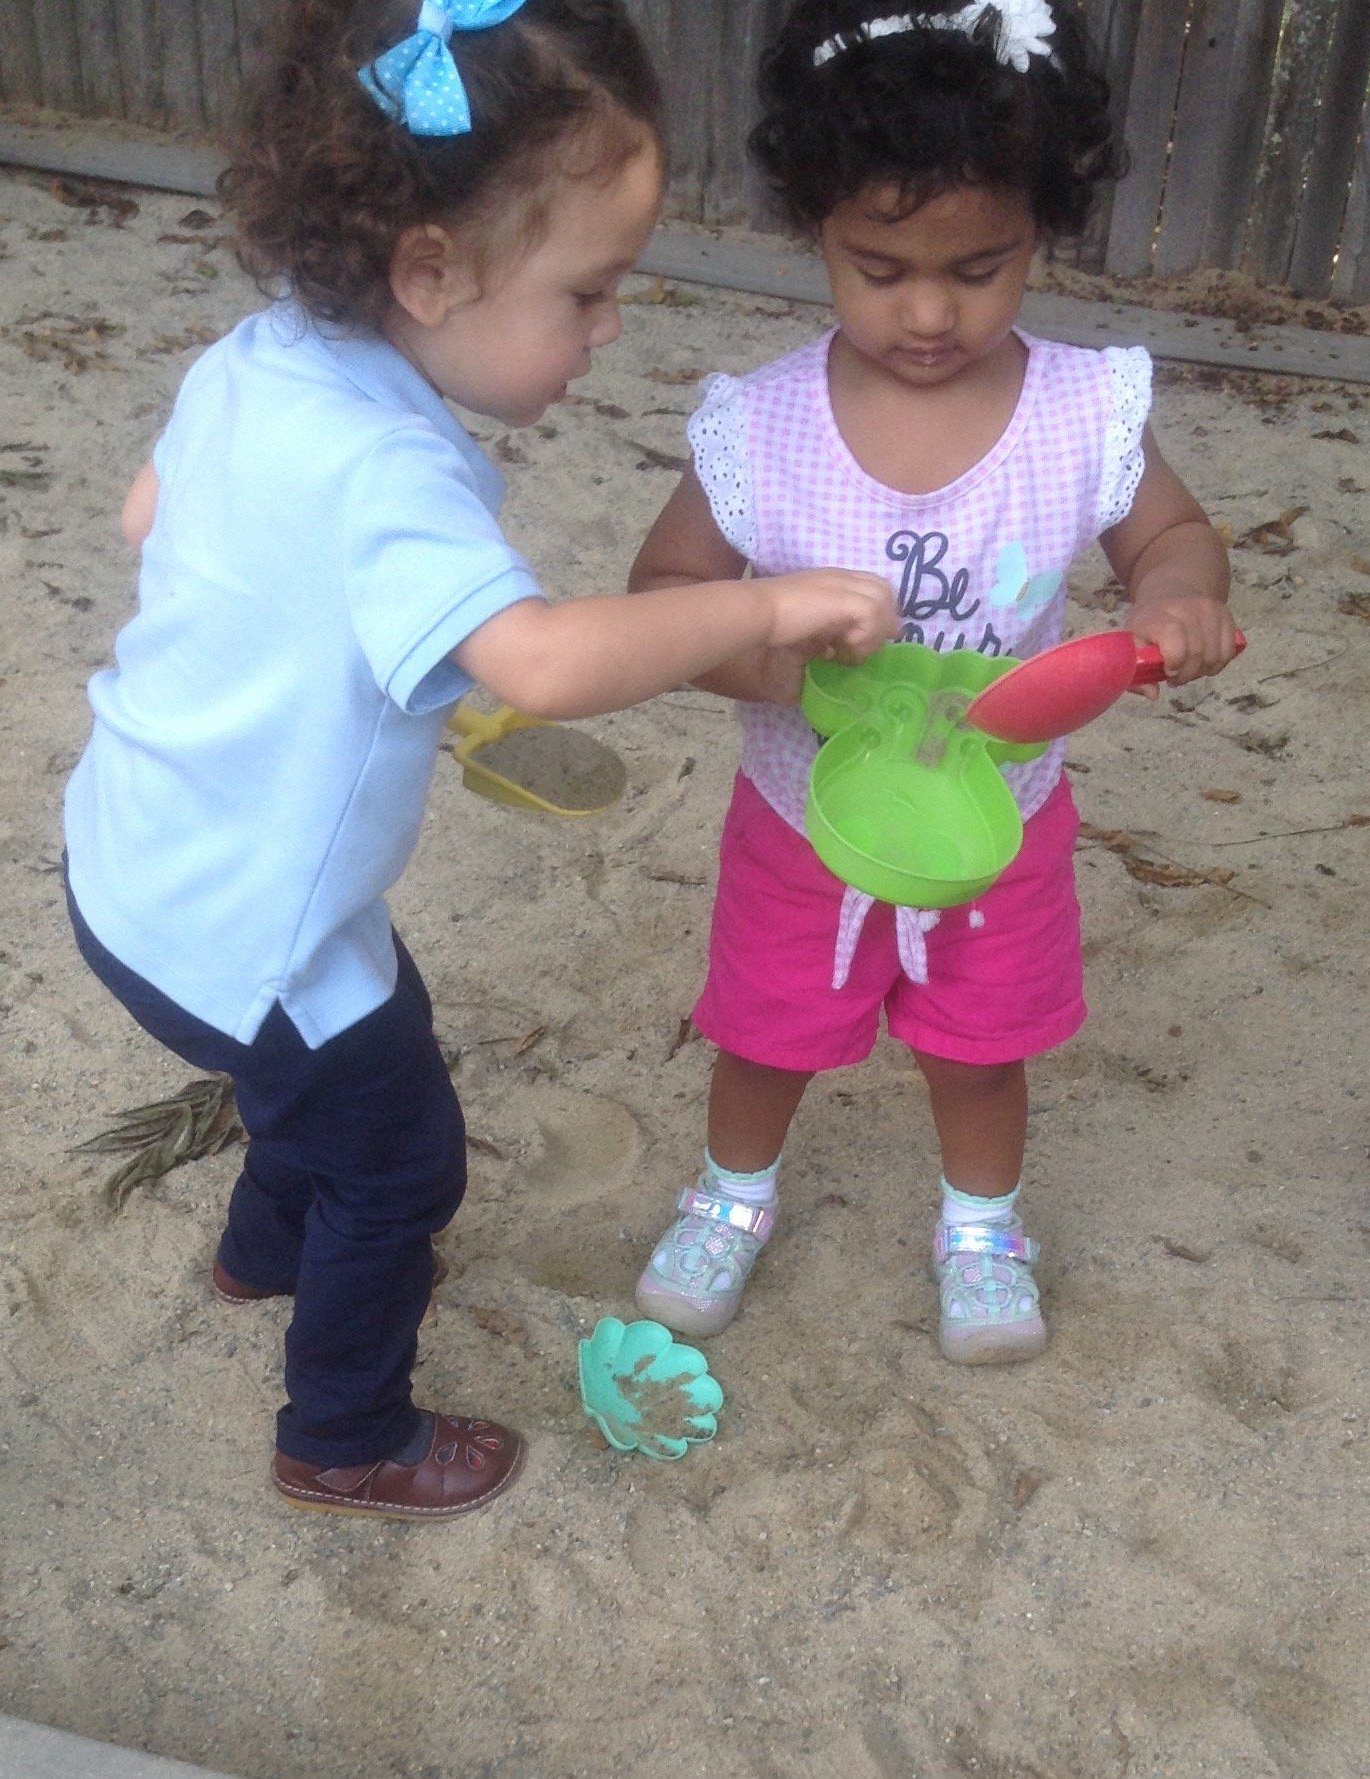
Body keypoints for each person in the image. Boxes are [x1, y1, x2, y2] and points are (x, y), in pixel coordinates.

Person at [63, 0, 895, 1522]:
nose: (609, 327)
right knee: (402, 1162)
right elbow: (547, 664)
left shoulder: (260, 356)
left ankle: (263, 1246)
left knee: (343, 1062)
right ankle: (344, 1431)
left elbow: (143, 518)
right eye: (587, 292)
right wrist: (767, 602)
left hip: (129, 860)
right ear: (429, 269)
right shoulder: (389, 472)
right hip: (256, 926)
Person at [630, 0, 1240, 1364]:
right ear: (814, 227)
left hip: (997, 824)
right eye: (878, 264)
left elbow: (1173, 533)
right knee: (765, 1028)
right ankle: (732, 1198)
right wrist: (781, 665)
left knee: (982, 1044)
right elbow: (661, 600)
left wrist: (1177, 596)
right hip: (804, 820)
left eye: (980, 267)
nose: (926, 310)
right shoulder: (766, 428)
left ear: (1042, 230)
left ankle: (981, 1226)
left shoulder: (1081, 414)